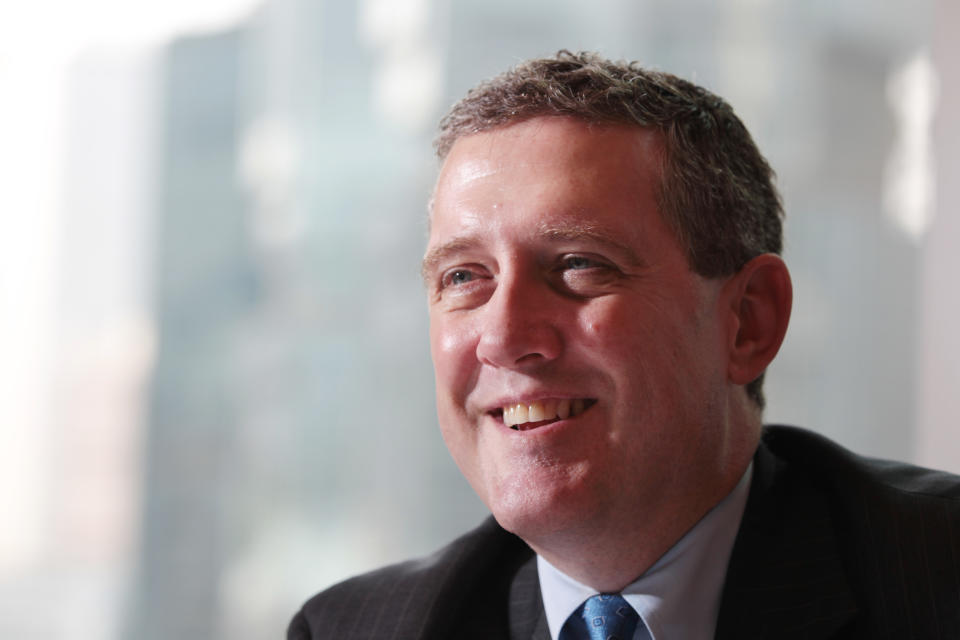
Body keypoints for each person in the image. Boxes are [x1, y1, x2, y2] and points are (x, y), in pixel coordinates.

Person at [289, 51, 960, 639]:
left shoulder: (935, 580)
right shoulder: (357, 629)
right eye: (465, 277)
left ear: (748, 323)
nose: (504, 337)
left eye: (579, 264)